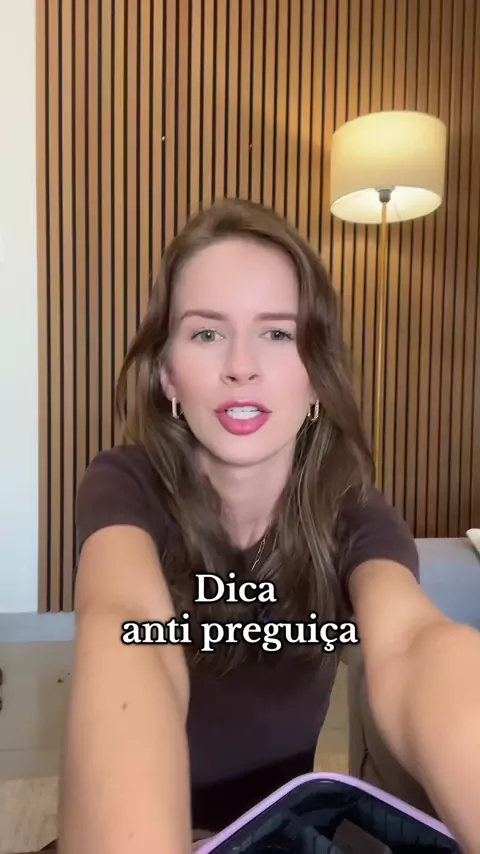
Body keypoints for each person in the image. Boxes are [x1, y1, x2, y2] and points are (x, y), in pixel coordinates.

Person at [58, 199, 480, 854]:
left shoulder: (356, 513)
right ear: (167, 375)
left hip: (281, 833)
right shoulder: (124, 482)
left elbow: (412, 646)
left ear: (315, 377)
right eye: (207, 334)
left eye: (277, 334)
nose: (241, 365)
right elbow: (124, 630)